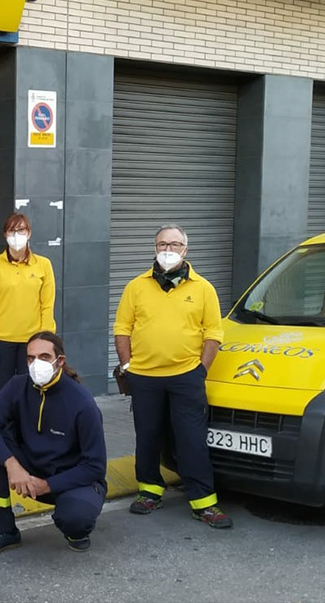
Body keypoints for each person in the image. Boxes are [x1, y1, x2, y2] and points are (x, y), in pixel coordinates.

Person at [113, 224, 232, 529]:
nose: (168, 249)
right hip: (144, 377)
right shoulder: (136, 287)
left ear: (185, 250)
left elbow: (214, 333)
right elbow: (122, 329)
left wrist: (200, 371)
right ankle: (149, 490)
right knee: (148, 436)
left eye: (175, 244)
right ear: (155, 248)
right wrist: (128, 367)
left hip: (186, 377)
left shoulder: (203, 288)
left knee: (191, 439)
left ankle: (203, 502)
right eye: (162, 244)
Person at [0, 332, 107, 556]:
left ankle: (76, 528)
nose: (36, 364)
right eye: (30, 358)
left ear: (60, 361)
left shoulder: (82, 403)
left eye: (44, 357)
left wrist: (47, 485)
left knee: (75, 519)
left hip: (70, 480)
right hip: (30, 472)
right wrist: (11, 464)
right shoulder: (18, 386)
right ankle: (4, 531)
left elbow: (95, 467)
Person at [0, 212, 56, 397]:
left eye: (21, 230)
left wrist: (45, 340)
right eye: (12, 231)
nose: (16, 235)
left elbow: (47, 305)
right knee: (2, 395)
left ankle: (28, 426)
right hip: (1, 342)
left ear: (29, 233)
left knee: (31, 392)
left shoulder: (43, 265)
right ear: (5, 235)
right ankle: (4, 427)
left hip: (32, 341)